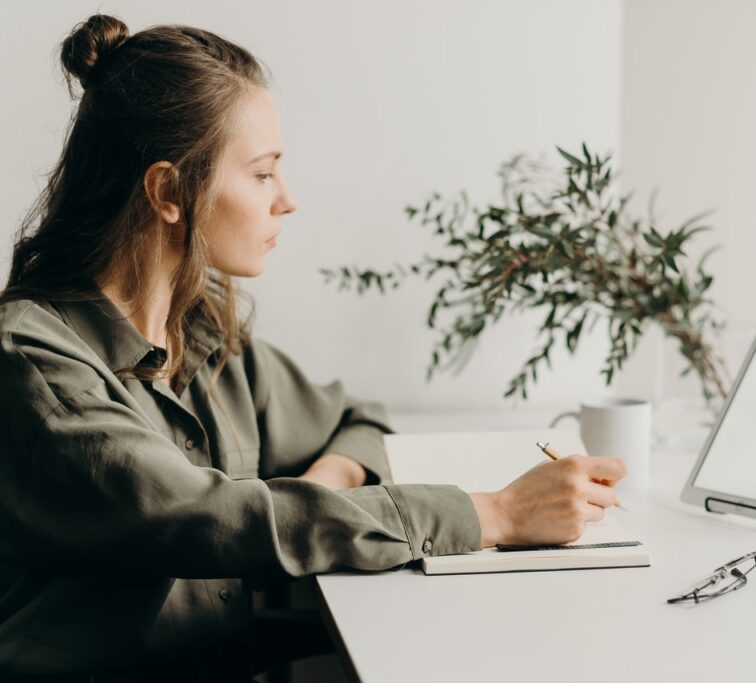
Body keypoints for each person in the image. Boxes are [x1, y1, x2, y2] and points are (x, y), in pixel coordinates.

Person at [0, 14, 627, 681]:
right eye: (264, 174)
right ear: (169, 192)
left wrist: (321, 485)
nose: (288, 200)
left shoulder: (206, 339)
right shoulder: (33, 363)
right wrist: (495, 513)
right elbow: (211, 519)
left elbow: (358, 420)